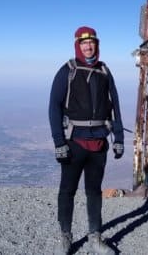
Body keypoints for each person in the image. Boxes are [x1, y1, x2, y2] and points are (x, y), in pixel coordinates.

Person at [48, 26, 124, 255]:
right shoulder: (67, 70)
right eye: (83, 43)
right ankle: (65, 237)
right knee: (67, 190)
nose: (88, 46)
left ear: (96, 45)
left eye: (91, 42)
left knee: (94, 191)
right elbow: (54, 106)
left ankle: (95, 237)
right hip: (74, 142)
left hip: (99, 142)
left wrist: (118, 138)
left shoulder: (104, 71)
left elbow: (116, 107)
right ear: (77, 46)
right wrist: (59, 142)